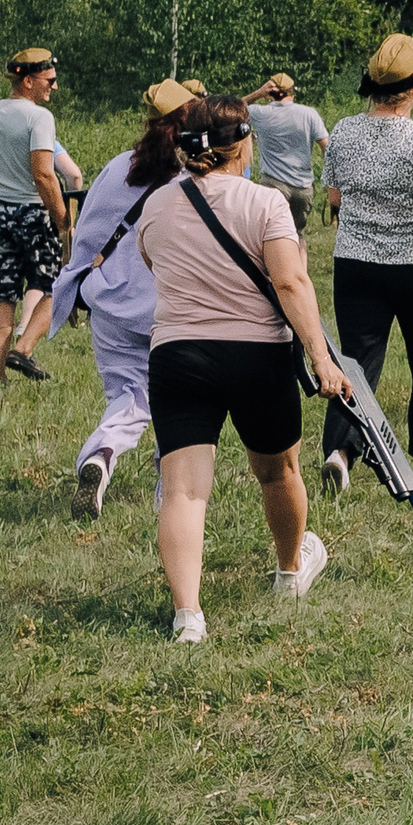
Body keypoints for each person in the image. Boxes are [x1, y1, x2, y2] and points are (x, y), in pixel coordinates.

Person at [136, 95, 349, 644]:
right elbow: (290, 282)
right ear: (243, 143)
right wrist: (321, 357)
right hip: (257, 355)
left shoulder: (157, 205)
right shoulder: (266, 203)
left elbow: (152, 261)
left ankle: (188, 616)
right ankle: (288, 572)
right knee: (278, 472)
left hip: (179, 355)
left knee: (183, 491)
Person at [50, 78, 197, 518]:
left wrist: (75, 283)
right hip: (169, 309)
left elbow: (89, 233)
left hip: (111, 304)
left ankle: (101, 454)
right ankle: (168, 492)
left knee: (129, 395)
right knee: (180, 402)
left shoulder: (118, 167)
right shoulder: (195, 178)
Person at [320, 35, 413, 488]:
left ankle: (341, 452)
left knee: (357, 363)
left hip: (357, 263)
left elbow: (335, 196)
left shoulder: (342, 131)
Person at [0, 49, 71, 384]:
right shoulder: (39, 118)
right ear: (29, 80)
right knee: (55, 284)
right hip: (33, 211)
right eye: (49, 81)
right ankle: (24, 349)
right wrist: (62, 219)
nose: (53, 88)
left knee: (2, 295)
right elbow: (44, 175)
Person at [243, 73, 329, 235]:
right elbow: (326, 147)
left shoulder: (259, 113)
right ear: (292, 92)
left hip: (272, 185)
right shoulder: (309, 114)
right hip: (302, 187)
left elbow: (230, 109)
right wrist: (331, 179)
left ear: (270, 94)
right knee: (298, 235)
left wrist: (257, 93)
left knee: (270, 235)